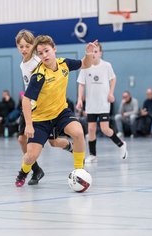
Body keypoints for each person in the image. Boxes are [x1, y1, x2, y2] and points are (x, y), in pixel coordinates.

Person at [14, 35, 97, 187]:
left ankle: (79, 171)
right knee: (30, 156)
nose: (44, 55)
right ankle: (23, 173)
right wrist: (29, 125)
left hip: (60, 113)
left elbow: (85, 64)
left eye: (46, 51)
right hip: (40, 118)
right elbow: (26, 101)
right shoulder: (39, 75)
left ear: (54, 49)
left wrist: (89, 54)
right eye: (40, 53)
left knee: (78, 133)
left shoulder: (64, 64)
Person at [15, 30, 73, 185]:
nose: (24, 49)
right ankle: (36, 170)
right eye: (21, 46)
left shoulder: (38, 61)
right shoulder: (23, 64)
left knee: (53, 143)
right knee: (21, 139)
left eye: (27, 46)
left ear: (33, 47)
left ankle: (68, 145)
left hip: (44, 110)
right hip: (30, 108)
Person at [76, 42, 127, 163]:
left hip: (103, 103)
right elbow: (81, 84)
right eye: (92, 51)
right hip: (91, 104)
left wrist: (111, 93)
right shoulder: (85, 66)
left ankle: (121, 144)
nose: (93, 53)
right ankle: (93, 155)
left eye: (96, 51)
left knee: (105, 129)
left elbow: (113, 78)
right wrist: (79, 98)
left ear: (100, 53)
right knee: (91, 129)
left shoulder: (107, 66)